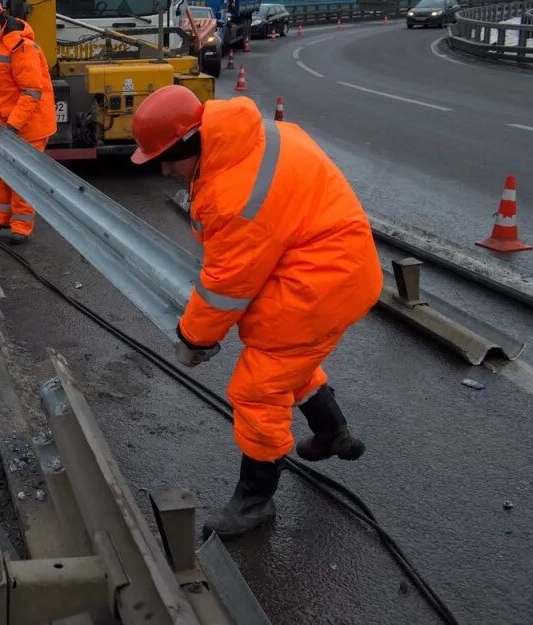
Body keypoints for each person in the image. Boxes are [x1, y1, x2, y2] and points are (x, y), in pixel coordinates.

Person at [130, 86, 382, 539]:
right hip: (341, 267)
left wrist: (193, 339)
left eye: (166, 159)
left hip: (317, 285)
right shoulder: (257, 135)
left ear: (190, 144)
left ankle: (255, 500)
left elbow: (226, 287)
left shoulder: (233, 195)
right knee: (288, 363)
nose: (164, 170)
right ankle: (332, 433)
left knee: (257, 389)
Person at [0, 0, 56, 245]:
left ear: (1, 20)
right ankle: (1, 217)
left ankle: (21, 226)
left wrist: (13, 125)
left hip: (30, 125)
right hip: (8, 125)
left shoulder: (22, 47)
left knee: (23, 174)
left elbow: (31, 92)